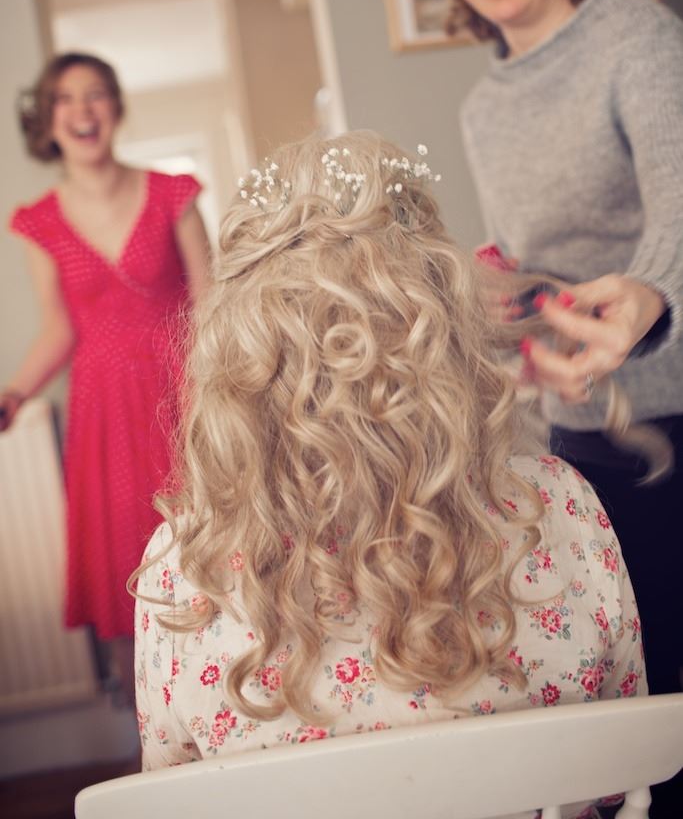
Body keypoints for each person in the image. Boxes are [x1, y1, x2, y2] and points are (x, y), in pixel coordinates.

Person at [134, 132, 643, 819]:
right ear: (441, 316)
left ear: (240, 345)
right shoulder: (559, 507)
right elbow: (618, 775)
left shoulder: (186, 565)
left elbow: (171, 799)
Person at [433, 0, 683, 815]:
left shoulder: (636, 38)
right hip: (584, 432)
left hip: (674, 405)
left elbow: (678, 204)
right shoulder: (481, 106)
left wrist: (648, 295)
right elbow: (526, 256)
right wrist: (516, 326)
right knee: (639, 678)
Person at [2, 51, 211, 698]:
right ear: (48, 120)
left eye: (95, 94)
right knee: (127, 561)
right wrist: (13, 394)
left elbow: (211, 302)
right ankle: (147, 723)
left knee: (207, 543)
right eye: (65, 99)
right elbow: (59, 329)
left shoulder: (173, 193)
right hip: (106, 413)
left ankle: (223, 699)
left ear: (115, 108)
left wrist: (227, 386)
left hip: (185, 393)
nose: (82, 109)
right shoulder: (39, 222)